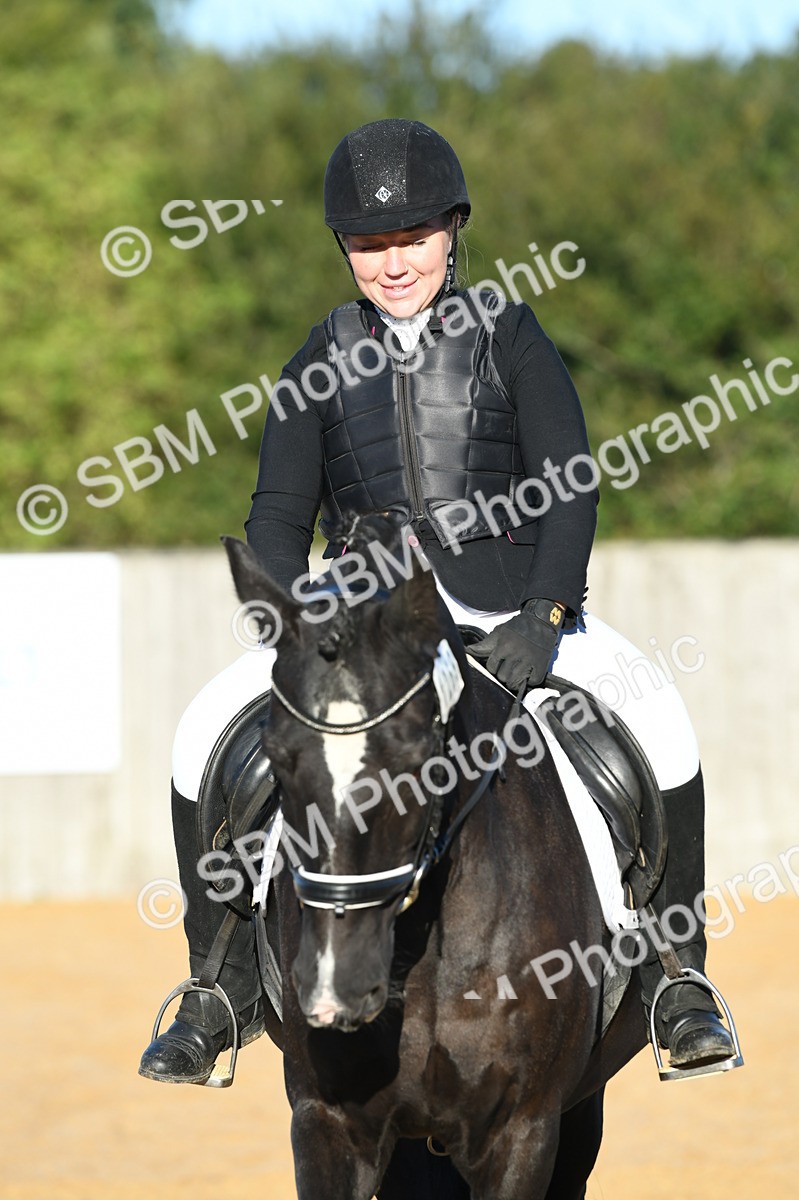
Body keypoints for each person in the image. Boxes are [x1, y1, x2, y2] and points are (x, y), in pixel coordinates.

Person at [139, 117, 736, 1086]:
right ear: (345, 250)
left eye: (412, 238)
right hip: (358, 628)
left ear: (453, 230)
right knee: (201, 730)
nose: (393, 262)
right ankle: (219, 984)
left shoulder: (510, 332)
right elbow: (278, 517)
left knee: (660, 719)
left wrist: (545, 618)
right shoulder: (317, 357)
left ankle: (678, 974)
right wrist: (294, 631)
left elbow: (569, 481)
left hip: (509, 618)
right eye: (371, 245)